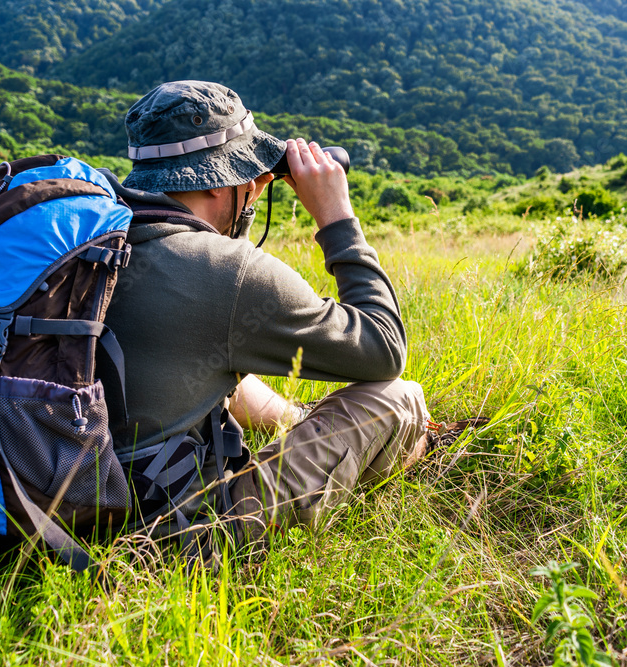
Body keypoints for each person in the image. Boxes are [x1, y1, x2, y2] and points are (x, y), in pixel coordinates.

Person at [97, 80, 431, 557]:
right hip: (170, 538)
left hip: (54, 503)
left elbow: (212, 362)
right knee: (399, 398)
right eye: (247, 174)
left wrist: (296, 420)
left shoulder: (98, 239)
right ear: (215, 180)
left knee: (216, 364)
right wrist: (337, 217)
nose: (254, 188)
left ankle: (292, 421)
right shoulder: (226, 273)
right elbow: (384, 350)